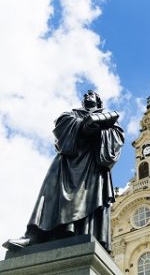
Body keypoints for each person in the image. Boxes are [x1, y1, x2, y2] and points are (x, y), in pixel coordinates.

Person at [3, 90, 124, 252]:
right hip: (67, 160)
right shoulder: (72, 114)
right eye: (86, 95)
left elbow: (116, 140)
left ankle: (79, 233)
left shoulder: (109, 118)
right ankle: (34, 236)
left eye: (91, 94)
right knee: (49, 192)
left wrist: (98, 131)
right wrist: (82, 125)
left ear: (99, 101)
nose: (87, 95)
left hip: (91, 164)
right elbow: (62, 127)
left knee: (88, 198)